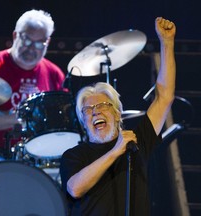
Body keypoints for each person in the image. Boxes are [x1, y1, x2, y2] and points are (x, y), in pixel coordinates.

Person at [60, 17, 176, 216]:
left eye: (103, 105)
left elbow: (164, 97)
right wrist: (115, 151)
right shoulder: (75, 156)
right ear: (83, 123)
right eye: (88, 110)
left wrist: (167, 43)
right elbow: (75, 188)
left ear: (117, 113)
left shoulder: (136, 143)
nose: (96, 111)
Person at [0, 9, 65, 162]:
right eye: (27, 40)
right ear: (15, 36)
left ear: (47, 42)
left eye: (39, 44)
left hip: (38, 154)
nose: (32, 48)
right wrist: (21, 118)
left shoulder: (54, 73)